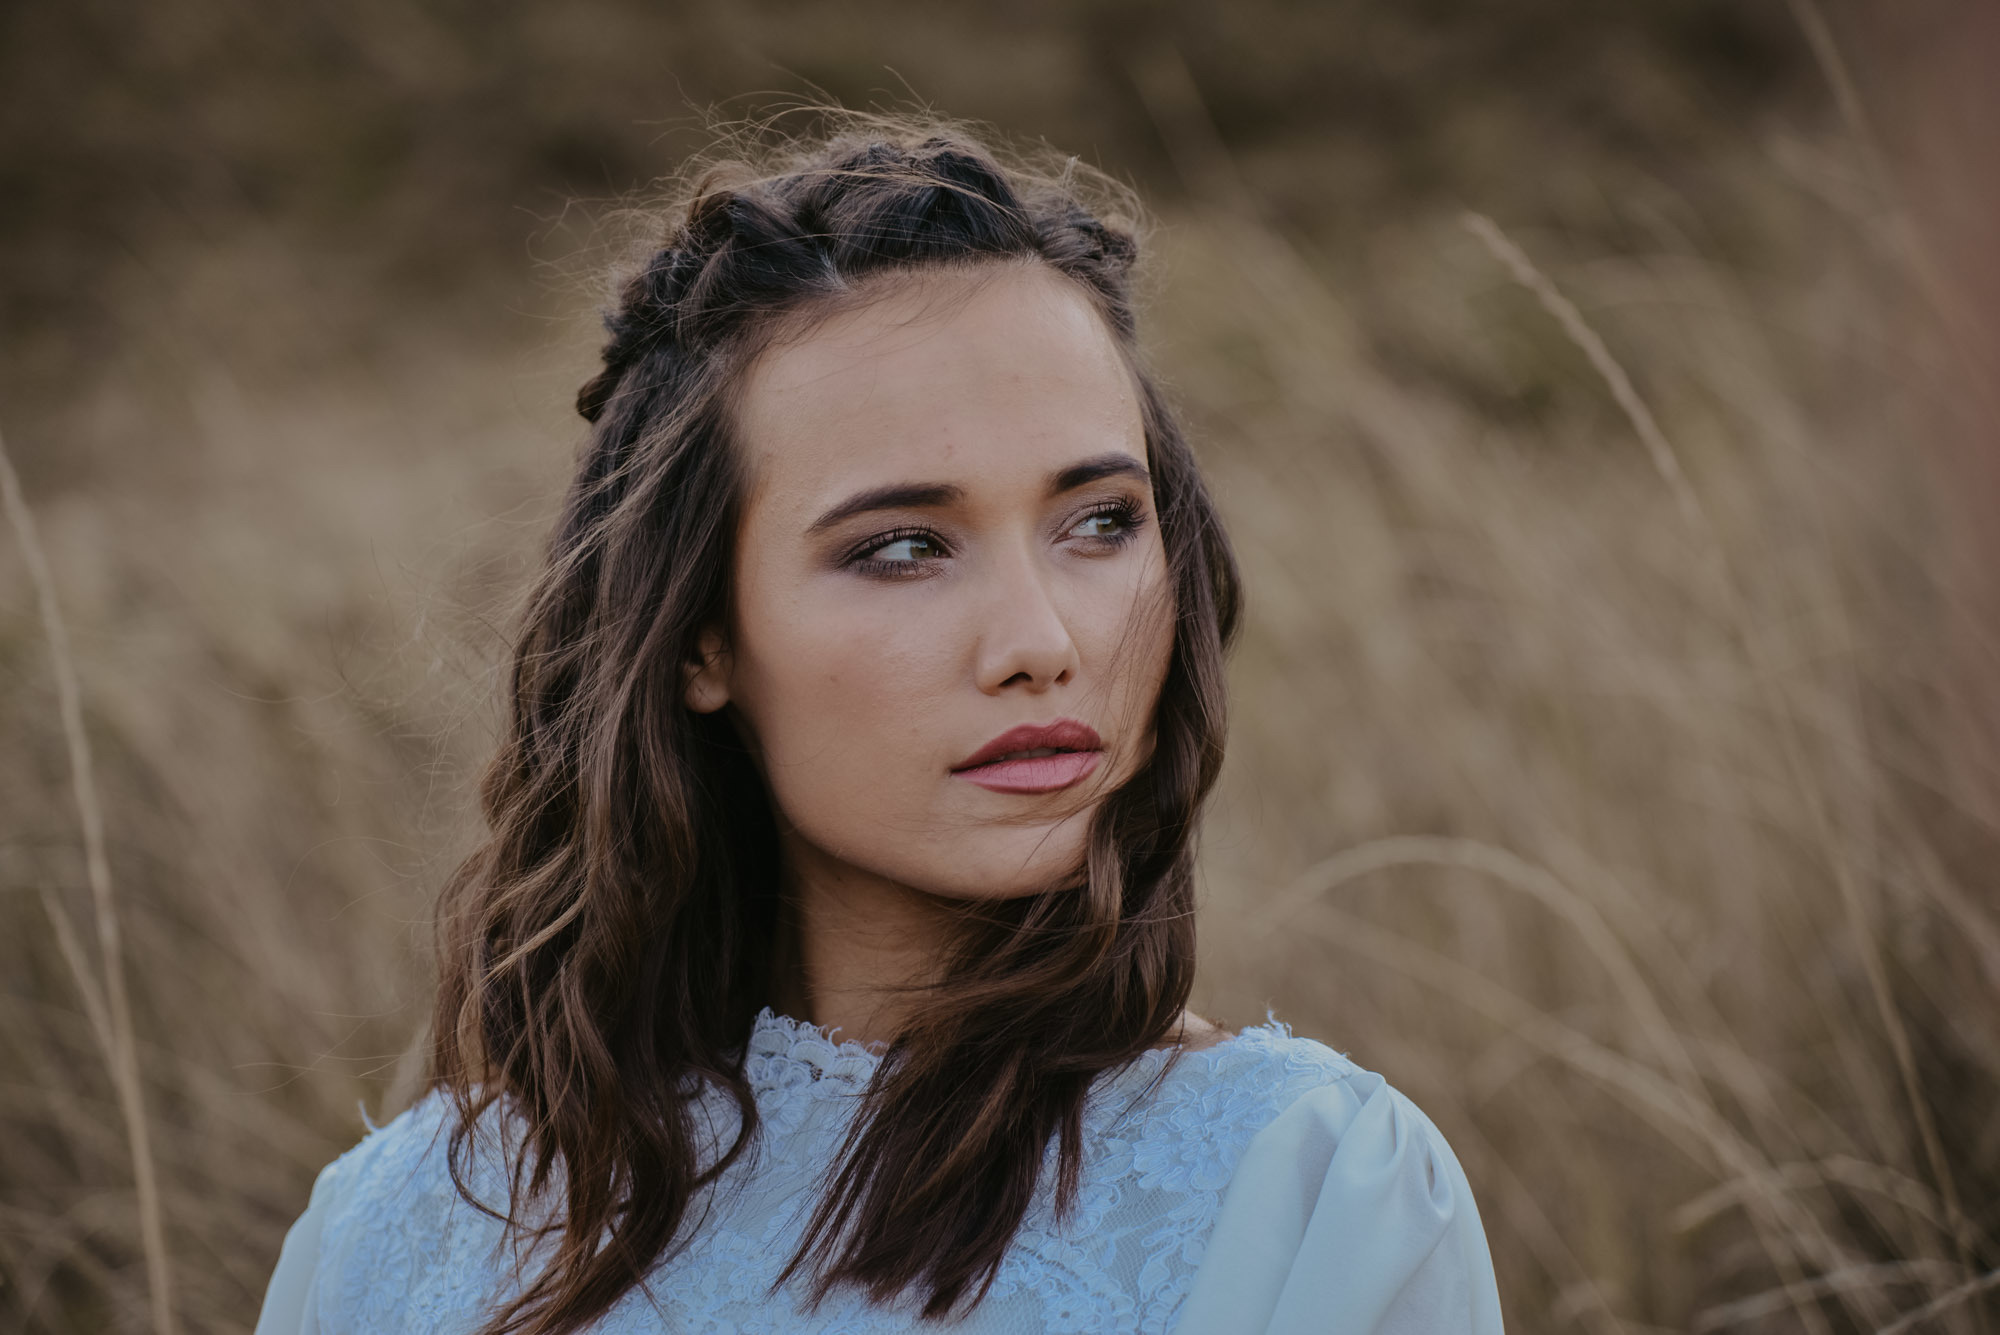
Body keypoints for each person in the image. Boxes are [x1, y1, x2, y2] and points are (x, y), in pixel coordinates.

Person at [253, 117, 1506, 1335]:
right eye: (902, 548)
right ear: (700, 636)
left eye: (1099, 522)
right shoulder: (400, 1231)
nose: (1039, 644)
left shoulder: (1308, 1193)